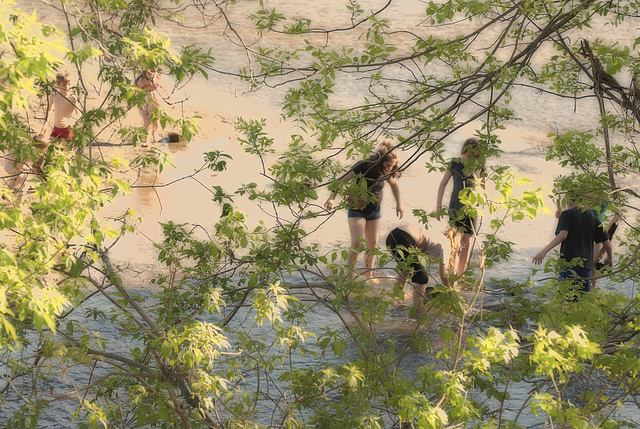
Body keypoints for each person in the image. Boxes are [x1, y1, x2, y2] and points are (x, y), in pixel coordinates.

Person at [324, 141, 404, 279]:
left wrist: (399, 204)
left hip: (374, 212)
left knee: (372, 244)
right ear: (380, 161)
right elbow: (341, 181)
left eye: (392, 166)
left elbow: (394, 185)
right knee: (357, 243)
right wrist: (332, 197)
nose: (389, 169)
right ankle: (349, 277)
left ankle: (369, 275)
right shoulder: (364, 166)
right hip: (357, 209)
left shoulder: (387, 172)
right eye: (387, 165)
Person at [533, 198, 613, 296]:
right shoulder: (593, 218)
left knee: (564, 297)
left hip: (568, 263)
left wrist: (544, 251)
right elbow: (607, 243)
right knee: (582, 299)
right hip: (585, 266)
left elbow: (563, 235)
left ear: (570, 203)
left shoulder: (567, 214)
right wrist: (609, 258)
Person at [436, 138, 486, 279]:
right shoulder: (455, 164)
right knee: (454, 243)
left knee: (467, 243)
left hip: (472, 209)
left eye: (474, 157)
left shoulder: (480, 166)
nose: (471, 159)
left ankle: (461, 275)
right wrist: (439, 207)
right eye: (468, 156)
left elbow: (484, 186)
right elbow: (443, 184)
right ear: (463, 152)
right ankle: (451, 272)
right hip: (456, 208)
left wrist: (489, 199)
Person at [386, 223, 450, 310]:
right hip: (403, 237)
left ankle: (395, 301)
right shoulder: (446, 244)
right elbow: (443, 275)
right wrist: (449, 291)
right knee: (421, 277)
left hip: (392, 236)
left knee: (405, 268)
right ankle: (418, 311)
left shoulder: (436, 236)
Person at [135, 69, 174, 146]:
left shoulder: (157, 78)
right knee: (147, 119)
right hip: (145, 100)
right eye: (149, 73)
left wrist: (170, 101)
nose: (151, 75)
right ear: (145, 72)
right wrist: (131, 101)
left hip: (156, 99)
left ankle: (154, 134)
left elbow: (164, 89)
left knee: (156, 118)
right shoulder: (141, 80)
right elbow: (135, 91)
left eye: (153, 73)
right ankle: (146, 139)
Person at [40, 71, 79, 141]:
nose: (67, 87)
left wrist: (71, 121)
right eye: (64, 85)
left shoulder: (72, 98)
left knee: (65, 151)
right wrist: (45, 125)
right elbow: (49, 111)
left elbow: (79, 113)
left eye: (69, 84)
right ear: (58, 85)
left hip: (67, 130)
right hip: (56, 129)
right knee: (51, 149)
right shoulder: (54, 96)